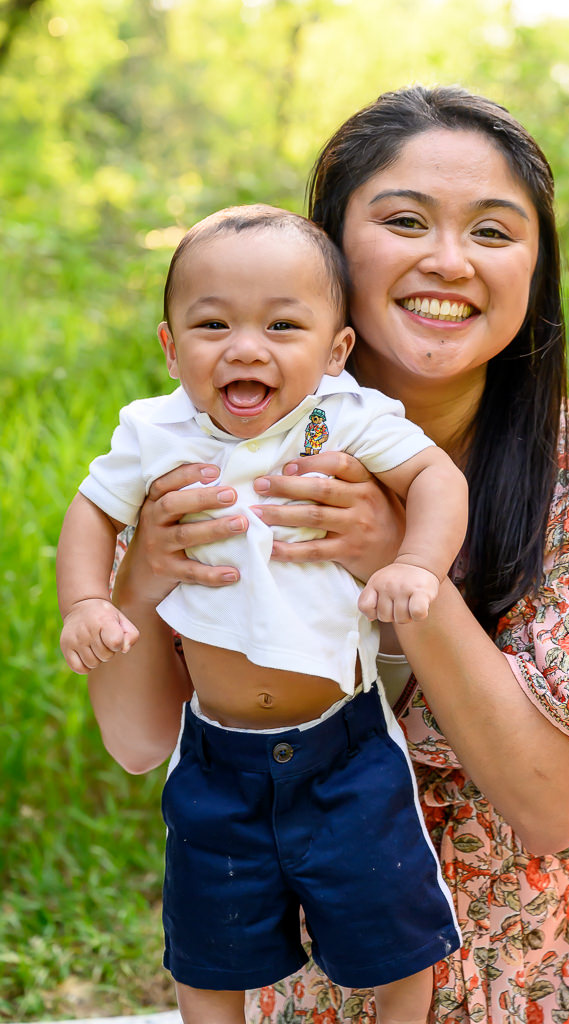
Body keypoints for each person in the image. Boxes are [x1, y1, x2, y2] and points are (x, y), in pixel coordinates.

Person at [86, 86, 569, 1024]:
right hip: (327, 983)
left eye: (493, 231)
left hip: (558, 971)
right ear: (324, 250)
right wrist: (139, 576)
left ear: (535, 272)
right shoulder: (206, 446)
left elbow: (548, 808)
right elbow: (137, 741)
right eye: (404, 220)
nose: (448, 260)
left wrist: (398, 558)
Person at [57, 204, 467, 1024]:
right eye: (212, 324)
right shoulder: (154, 430)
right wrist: (86, 601)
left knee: (397, 935)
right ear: (170, 346)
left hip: (344, 745)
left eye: (282, 325)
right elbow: (92, 511)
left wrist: (415, 563)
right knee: (208, 947)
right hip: (216, 755)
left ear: (335, 350)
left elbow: (435, 479)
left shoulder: (346, 416)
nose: (245, 348)